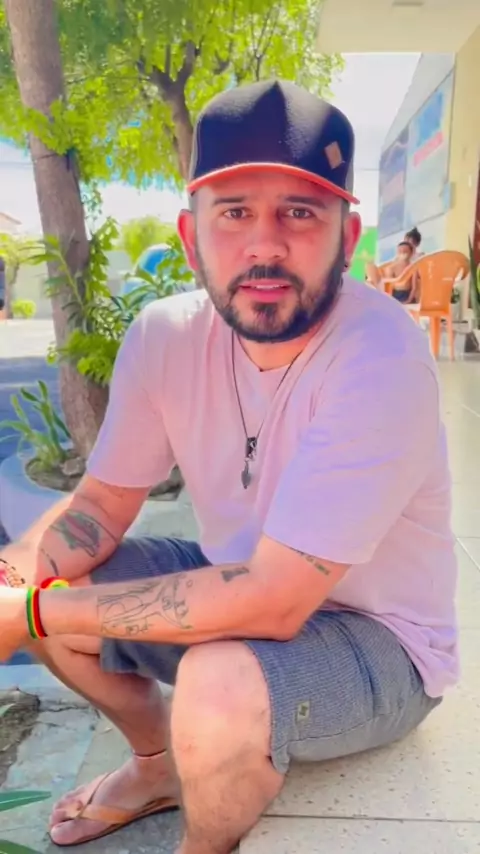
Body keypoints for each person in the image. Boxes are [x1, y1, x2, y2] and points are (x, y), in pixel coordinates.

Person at [0, 80, 458, 853]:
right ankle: (157, 766)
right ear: (191, 237)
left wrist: (36, 615)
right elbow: (101, 505)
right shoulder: (165, 337)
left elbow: (275, 601)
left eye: (300, 213)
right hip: (234, 582)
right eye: (235, 212)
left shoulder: (382, 357)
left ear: (348, 239)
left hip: (380, 642)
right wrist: (13, 583)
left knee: (212, 686)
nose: (265, 245)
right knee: (54, 577)